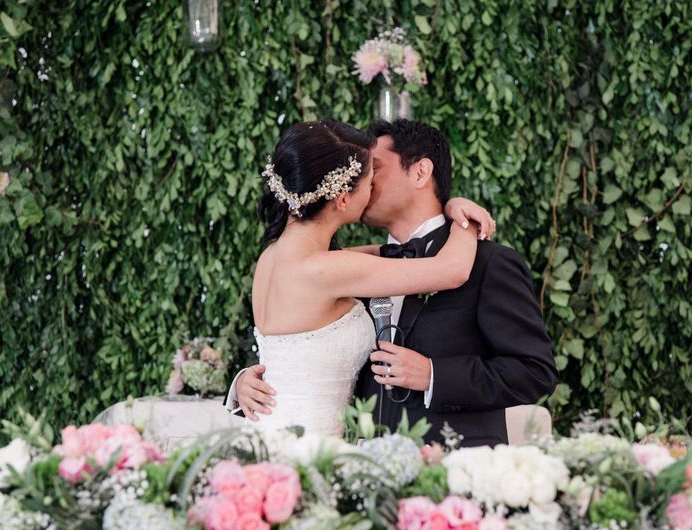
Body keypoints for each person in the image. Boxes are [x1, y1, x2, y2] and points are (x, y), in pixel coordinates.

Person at [231, 118, 558, 447]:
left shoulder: (490, 263)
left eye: (375, 168)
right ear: (339, 196)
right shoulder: (338, 268)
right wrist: (465, 219)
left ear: (420, 173)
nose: (366, 180)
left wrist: (435, 376)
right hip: (348, 460)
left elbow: (534, 371)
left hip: (448, 467)